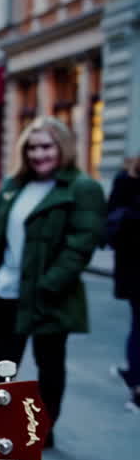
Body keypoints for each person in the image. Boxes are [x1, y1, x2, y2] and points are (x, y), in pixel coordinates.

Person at [0, 117, 106, 447]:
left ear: (62, 148)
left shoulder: (82, 188)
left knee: (50, 365)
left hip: (50, 294)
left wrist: (51, 282)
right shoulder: (14, 185)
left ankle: (42, 427)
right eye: (32, 147)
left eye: (46, 146)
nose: (38, 154)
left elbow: (81, 244)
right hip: (6, 290)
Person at [108, 157, 140, 411]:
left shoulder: (125, 179)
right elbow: (111, 221)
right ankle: (137, 386)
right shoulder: (126, 180)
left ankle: (134, 377)